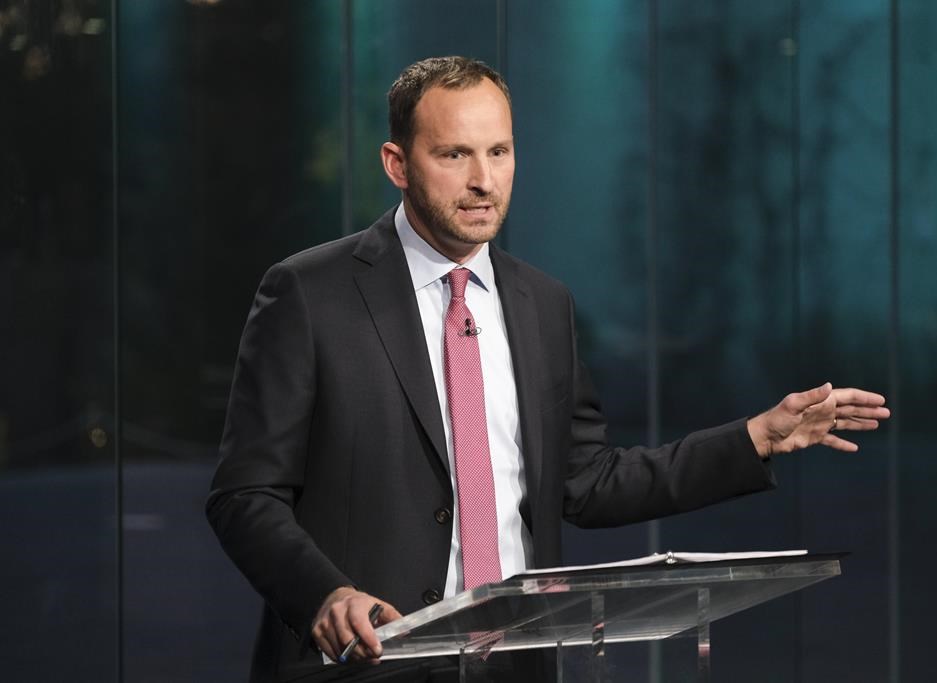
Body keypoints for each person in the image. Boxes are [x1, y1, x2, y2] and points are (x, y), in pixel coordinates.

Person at [206, 56, 889, 683]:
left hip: (514, 666)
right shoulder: (309, 292)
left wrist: (755, 438)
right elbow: (245, 495)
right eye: (455, 154)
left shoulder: (542, 303)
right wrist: (326, 593)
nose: (484, 179)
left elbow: (587, 482)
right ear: (397, 162)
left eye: (499, 152)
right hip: (363, 666)